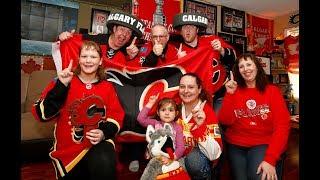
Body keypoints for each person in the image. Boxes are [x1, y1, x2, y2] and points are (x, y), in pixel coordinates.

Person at [32, 41, 125, 180]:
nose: (88, 60)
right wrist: (61, 86)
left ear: (100, 61)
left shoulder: (107, 87)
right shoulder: (63, 80)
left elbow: (116, 116)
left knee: (105, 164)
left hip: (98, 145)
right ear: (79, 59)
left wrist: (103, 133)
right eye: (84, 56)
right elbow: (41, 115)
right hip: (68, 149)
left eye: (93, 57)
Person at [218, 53, 290, 180]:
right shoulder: (234, 90)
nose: (246, 69)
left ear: (257, 67)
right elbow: (225, 120)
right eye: (241, 67)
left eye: (249, 64)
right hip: (236, 145)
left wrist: (270, 159)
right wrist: (230, 94)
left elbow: (282, 127)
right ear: (238, 71)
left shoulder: (272, 91)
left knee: (258, 176)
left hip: (263, 143)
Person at [173, 12, 236, 114]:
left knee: (217, 122)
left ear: (197, 30)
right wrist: (180, 62)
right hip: (198, 96)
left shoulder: (211, 40)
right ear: (180, 31)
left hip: (220, 91)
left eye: (192, 27)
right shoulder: (178, 51)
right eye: (184, 27)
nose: (188, 30)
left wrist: (221, 50)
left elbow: (233, 59)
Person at [176, 73, 223, 179]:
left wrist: (201, 126)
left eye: (191, 87)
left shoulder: (207, 112)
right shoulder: (174, 108)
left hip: (201, 163)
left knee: (194, 160)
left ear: (199, 89)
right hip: (179, 160)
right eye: (182, 86)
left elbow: (214, 154)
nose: (186, 91)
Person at [58, 11, 146, 65]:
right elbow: (70, 41)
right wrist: (62, 37)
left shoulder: (130, 51)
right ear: (114, 29)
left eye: (129, 32)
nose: (124, 34)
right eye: (122, 29)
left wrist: (131, 58)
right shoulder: (95, 39)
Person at [137, 94, 185, 161]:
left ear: (176, 113)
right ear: (158, 113)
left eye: (171, 110)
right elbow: (141, 119)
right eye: (163, 110)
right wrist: (150, 103)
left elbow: (181, 147)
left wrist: (172, 158)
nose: (167, 113)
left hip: (170, 156)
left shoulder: (177, 127)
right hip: (155, 157)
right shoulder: (155, 123)